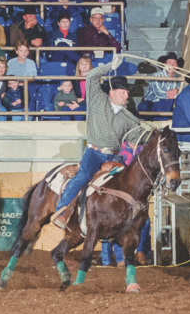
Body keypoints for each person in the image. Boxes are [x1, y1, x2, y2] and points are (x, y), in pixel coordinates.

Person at [53, 65, 141, 229]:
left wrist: (147, 135)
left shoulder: (130, 117)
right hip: (94, 153)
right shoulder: (97, 99)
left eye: (127, 92)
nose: (126, 95)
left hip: (115, 157)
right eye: (123, 91)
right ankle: (62, 211)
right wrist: (110, 67)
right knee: (83, 176)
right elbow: (92, 75)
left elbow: (134, 139)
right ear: (112, 92)